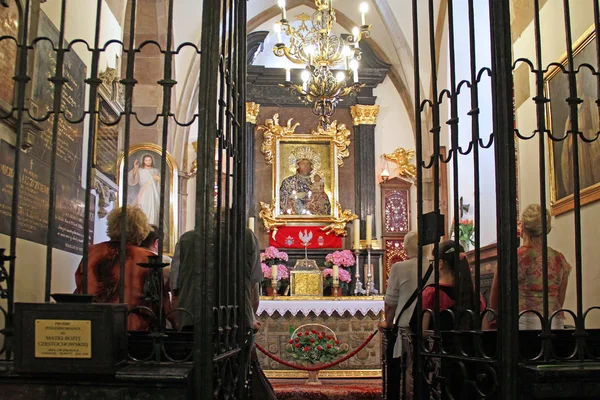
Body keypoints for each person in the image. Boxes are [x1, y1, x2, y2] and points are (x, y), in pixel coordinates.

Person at [74, 206, 171, 331]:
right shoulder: (148, 258)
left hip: (93, 323)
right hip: (131, 327)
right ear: (142, 230)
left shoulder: (93, 252)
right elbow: (158, 300)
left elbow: (80, 283)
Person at [489, 204, 571, 330]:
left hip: (521, 325)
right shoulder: (559, 259)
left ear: (522, 226)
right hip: (553, 324)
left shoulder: (511, 258)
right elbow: (559, 301)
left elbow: (495, 304)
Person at [378, 231, 433, 400]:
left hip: (405, 326)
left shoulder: (399, 267)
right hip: (428, 327)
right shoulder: (435, 267)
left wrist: (388, 322)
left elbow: (390, 302)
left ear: (406, 246)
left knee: (401, 369)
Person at [421, 240, 488, 332]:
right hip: (470, 345)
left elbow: (422, 332)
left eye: (433, 261)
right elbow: (484, 329)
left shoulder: (431, 292)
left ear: (440, 263)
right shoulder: (473, 291)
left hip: (441, 345)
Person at [279, 146, 331, 215]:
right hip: (294, 218)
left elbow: (324, 203)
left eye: (308, 164)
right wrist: (294, 198)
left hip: (314, 218)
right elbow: (282, 202)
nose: (306, 166)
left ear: (311, 166)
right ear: (298, 165)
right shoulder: (288, 182)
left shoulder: (316, 182)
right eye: (303, 164)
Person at [128, 153, 160, 225]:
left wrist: (158, 179)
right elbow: (133, 181)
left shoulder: (156, 170)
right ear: (143, 161)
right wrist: (135, 170)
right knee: (142, 208)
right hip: (143, 191)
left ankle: (151, 224)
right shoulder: (140, 170)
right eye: (146, 160)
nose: (148, 162)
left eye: (149, 160)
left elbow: (161, 182)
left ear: (152, 161)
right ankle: (143, 225)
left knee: (152, 209)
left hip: (153, 192)